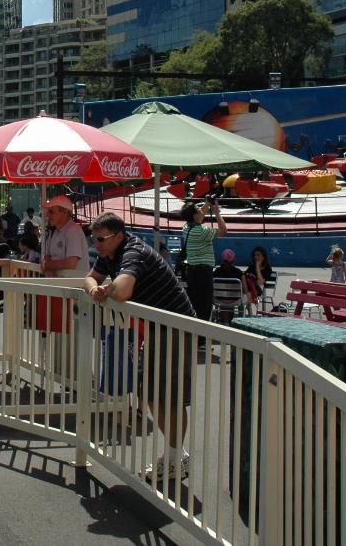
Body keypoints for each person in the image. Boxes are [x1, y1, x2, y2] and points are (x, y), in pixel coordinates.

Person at [85, 213, 196, 482]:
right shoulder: (110, 253)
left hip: (175, 327)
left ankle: (174, 457)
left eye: (101, 239)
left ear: (118, 237)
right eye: (94, 238)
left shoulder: (133, 252)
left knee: (168, 395)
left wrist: (105, 289)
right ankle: (175, 455)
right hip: (157, 328)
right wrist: (94, 289)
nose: (96, 244)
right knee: (150, 394)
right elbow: (89, 278)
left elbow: (122, 291)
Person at [181, 200, 226, 321]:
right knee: (204, 307)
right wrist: (217, 213)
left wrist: (207, 203)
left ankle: (194, 335)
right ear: (195, 215)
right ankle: (202, 338)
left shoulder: (186, 228)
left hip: (192, 272)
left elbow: (198, 216)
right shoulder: (202, 231)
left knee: (195, 305)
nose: (202, 210)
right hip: (203, 274)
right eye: (199, 209)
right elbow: (223, 231)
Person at [42, 195, 89, 277]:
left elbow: (70, 264)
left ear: (65, 212)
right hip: (61, 284)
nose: (47, 215)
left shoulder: (73, 231)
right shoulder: (53, 231)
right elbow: (47, 258)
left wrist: (48, 265)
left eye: (51, 212)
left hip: (75, 286)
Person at [245, 246, 273, 314]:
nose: (256, 257)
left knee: (245, 294)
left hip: (259, 289)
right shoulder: (251, 267)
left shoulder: (267, 268)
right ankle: (247, 313)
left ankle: (249, 312)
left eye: (258, 255)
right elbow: (244, 277)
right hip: (248, 289)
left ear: (263, 257)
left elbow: (261, 281)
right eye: (255, 255)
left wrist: (257, 267)